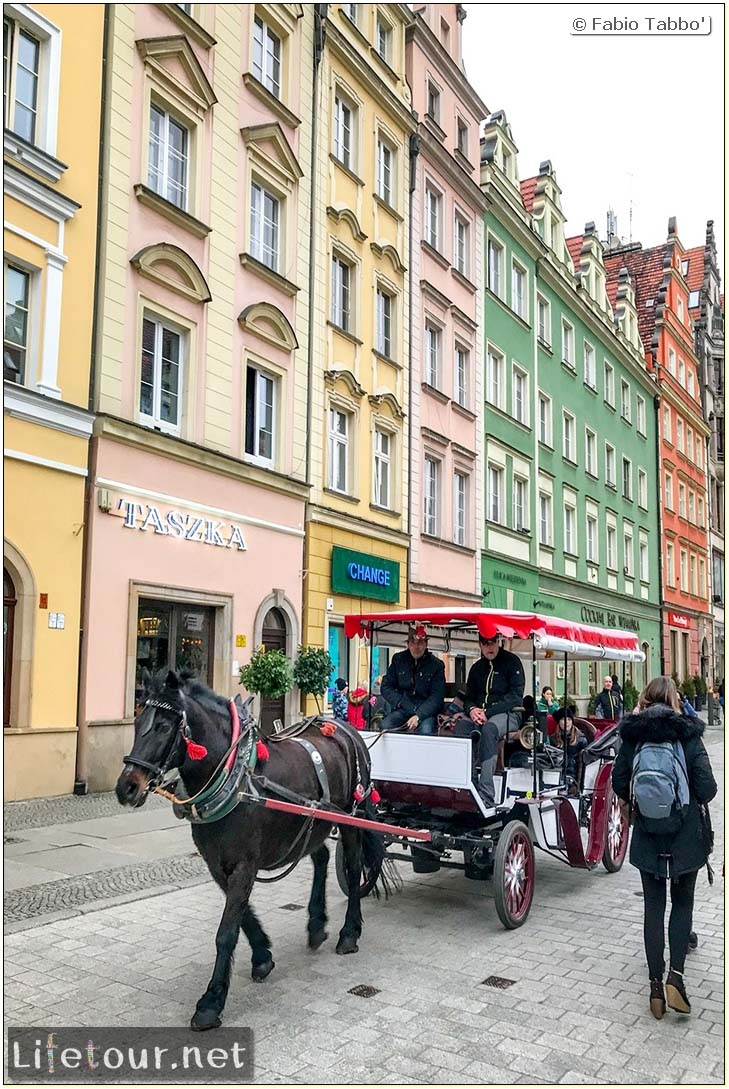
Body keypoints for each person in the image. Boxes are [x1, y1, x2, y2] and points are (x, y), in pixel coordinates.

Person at [612, 676, 717, 1020]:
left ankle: (655, 986)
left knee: (653, 908)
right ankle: (676, 977)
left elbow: (618, 783)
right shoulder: (687, 732)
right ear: (674, 699)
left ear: (644, 700)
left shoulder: (633, 734)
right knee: (682, 902)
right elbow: (708, 787)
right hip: (685, 834)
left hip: (647, 833)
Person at [462, 633, 525, 806]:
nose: (489, 647)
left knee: (489, 729)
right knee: (460, 728)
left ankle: (487, 794)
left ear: (499, 642)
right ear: (480, 645)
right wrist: (472, 709)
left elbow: (515, 697)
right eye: (485, 643)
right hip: (480, 714)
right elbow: (469, 697)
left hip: (510, 714)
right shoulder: (477, 668)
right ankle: (468, 786)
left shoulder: (512, 663)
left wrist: (487, 712)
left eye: (492, 643)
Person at [380, 626, 446, 735]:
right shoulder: (398, 660)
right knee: (385, 726)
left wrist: (419, 715)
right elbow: (386, 687)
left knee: (425, 731)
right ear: (408, 644)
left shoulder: (436, 665)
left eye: (420, 643)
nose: (416, 647)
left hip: (426, 712)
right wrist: (400, 702)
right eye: (413, 643)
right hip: (404, 708)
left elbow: (437, 696)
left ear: (426, 644)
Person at [551, 706, 587, 781]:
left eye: (569, 719)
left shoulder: (581, 739)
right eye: (563, 719)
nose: (567, 722)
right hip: (556, 777)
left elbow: (584, 764)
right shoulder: (553, 739)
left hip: (574, 778)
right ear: (559, 722)